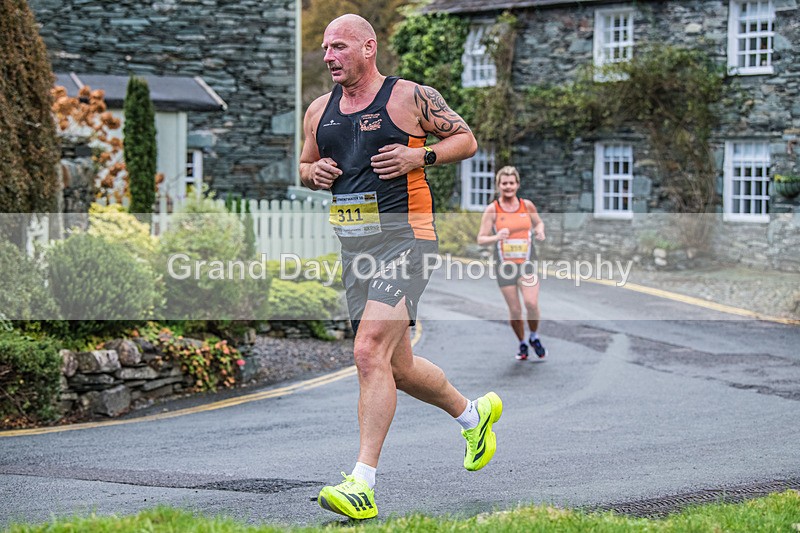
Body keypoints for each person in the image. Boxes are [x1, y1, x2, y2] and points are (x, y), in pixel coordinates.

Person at [299, 14, 503, 520]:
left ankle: (361, 484)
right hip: (356, 250)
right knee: (397, 366)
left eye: (339, 47)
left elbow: (466, 140)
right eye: (326, 48)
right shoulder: (318, 110)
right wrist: (314, 173)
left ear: (368, 48)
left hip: (408, 240)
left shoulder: (408, 98)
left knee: (368, 350)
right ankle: (473, 415)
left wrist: (421, 158)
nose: (329, 56)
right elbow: (304, 167)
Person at [477, 166, 547, 361]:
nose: (508, 186)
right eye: (504, 183)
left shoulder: (527, 206)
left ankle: (534, 336)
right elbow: (481, 238)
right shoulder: (493, 209)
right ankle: (522, 343)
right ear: (499, 185)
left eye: (511, 183)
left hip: (527, 262)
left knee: (531, 304)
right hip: (505, 266)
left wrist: (540, 230)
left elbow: (538, 223)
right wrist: (497, 236)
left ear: (517, 184)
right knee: (515, 312)